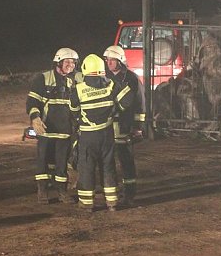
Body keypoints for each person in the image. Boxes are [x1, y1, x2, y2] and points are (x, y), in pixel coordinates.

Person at [71, 54, 132, 212]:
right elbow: (127, 101)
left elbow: (73, 110)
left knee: (87, 168)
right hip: (107, 134)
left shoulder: (78, 89)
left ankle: (87, 204)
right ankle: (112, 202)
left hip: (88, 136)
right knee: (108, 166)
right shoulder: (111, 85)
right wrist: (116, 109)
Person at [26, 48, 79, 203]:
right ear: (58, 62)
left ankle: (62, 192)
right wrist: (35, 118)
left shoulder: (75, 80)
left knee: (62, 164)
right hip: (46, 129)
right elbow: (32, 101)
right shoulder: (42, 79)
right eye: (67, 62)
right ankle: (42, 191)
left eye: (73, 62)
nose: (70, 65)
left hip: (65, 131)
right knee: (43, 162)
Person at [103, 45, 145, 205]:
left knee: (126, 161)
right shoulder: (104, 77)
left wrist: (138, 127)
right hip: (107, 127)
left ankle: (129, 194)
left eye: (112, 60)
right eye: (107, 60)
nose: (109, 63)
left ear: (120, 61)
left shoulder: (132, 79)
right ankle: (112, 192)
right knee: (108, 162)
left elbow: (140, 103)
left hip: (124, 126)